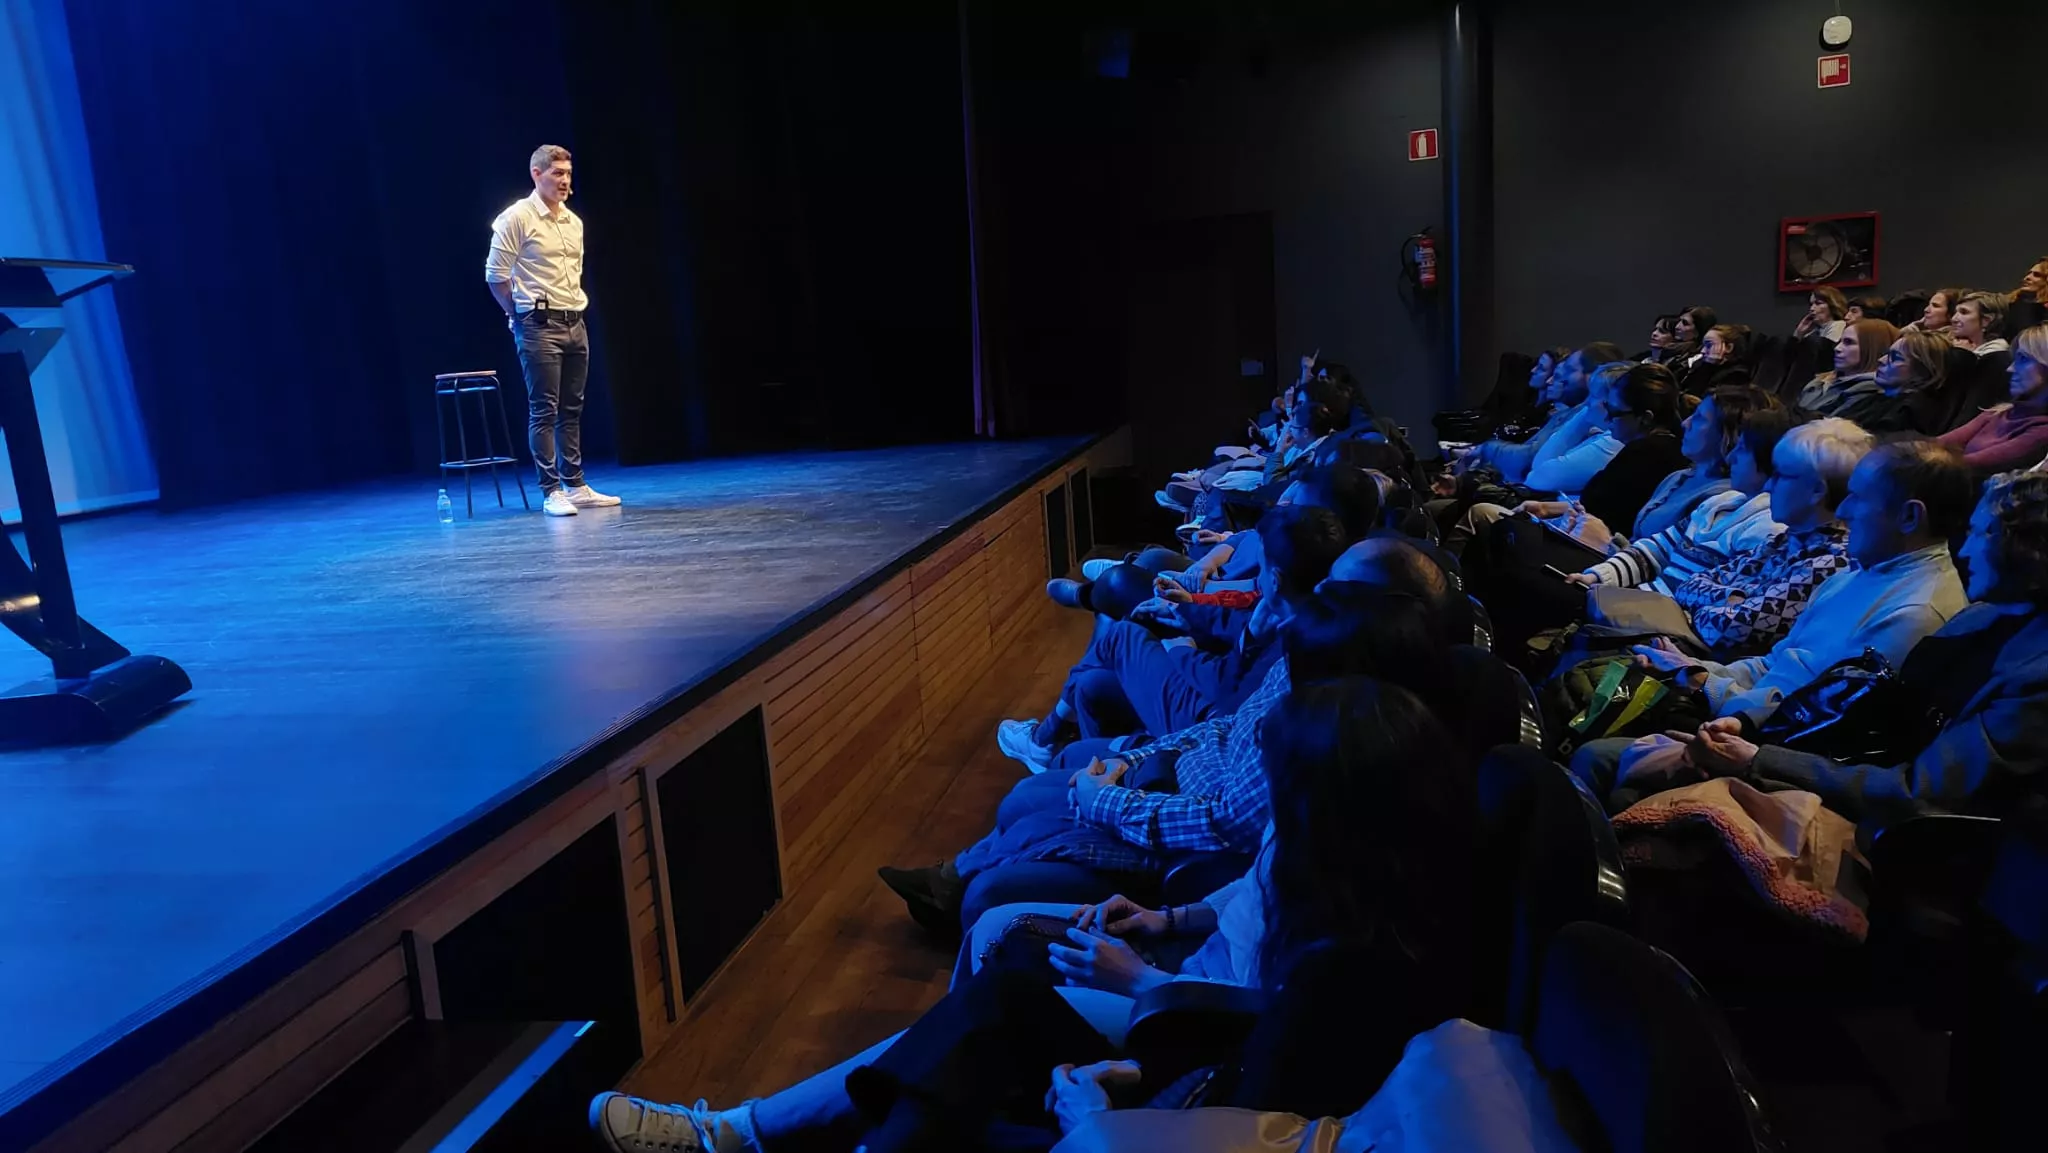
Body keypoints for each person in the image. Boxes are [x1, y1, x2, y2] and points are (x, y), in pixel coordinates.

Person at [1572, 441, 1974, 802]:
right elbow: (1774, 663)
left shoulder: (1916, 615)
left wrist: (1705, 685)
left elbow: (1812, 726)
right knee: (1597, 681)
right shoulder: (1863, 570)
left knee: (1596, 756)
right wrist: (1697, 671)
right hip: (1742, 715)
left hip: (1772, 754)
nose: (1845, 510)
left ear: (1908, 517)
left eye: (1857, 497)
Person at [1675, 470, 2048, 828]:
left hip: (1885, 838)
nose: (1964, 550)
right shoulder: (1980, 616)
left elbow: (1917, 791)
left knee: (1631, 775)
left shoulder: (2035, 677)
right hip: (1807, 758)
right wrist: (1743, 722)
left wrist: (1758, 759)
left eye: (1981, 533)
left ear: (2028, 549)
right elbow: (1852, 711)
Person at [485, 144, 621, 516]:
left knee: (571, 409)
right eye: (557, 173)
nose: (564, 181)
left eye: (568, 174)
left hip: (574, 321)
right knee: (543, 409)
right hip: (538, 325)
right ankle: (551, 490)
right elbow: (496, 275)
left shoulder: (572, 222)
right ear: (537, 174)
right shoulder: (518, 217)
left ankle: (575, 485)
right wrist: (516, 312)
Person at [1570, 407, 1796, 596]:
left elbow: (1715, 603)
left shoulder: (1769, 530)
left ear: (1773, 461)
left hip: (1658, 621)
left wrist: (1608, 547)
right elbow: (1656, 550)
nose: (1731, 456)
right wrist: (1597, 576)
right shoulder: (1723, 500)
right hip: (1635, 598)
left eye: (1743, 449)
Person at [1939, 325, 2048, 475]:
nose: (2010, 369)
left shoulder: (2042, 429)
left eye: (2022, 359)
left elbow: (1970, 465)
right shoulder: (2003, 410)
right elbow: (1942, 443)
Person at [1797, 317, 1896, 415]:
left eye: (1848, 342)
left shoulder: (1870, 394)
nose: (1837, 348)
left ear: (1872, 348)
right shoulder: (1822, 381)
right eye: (1840, 341)